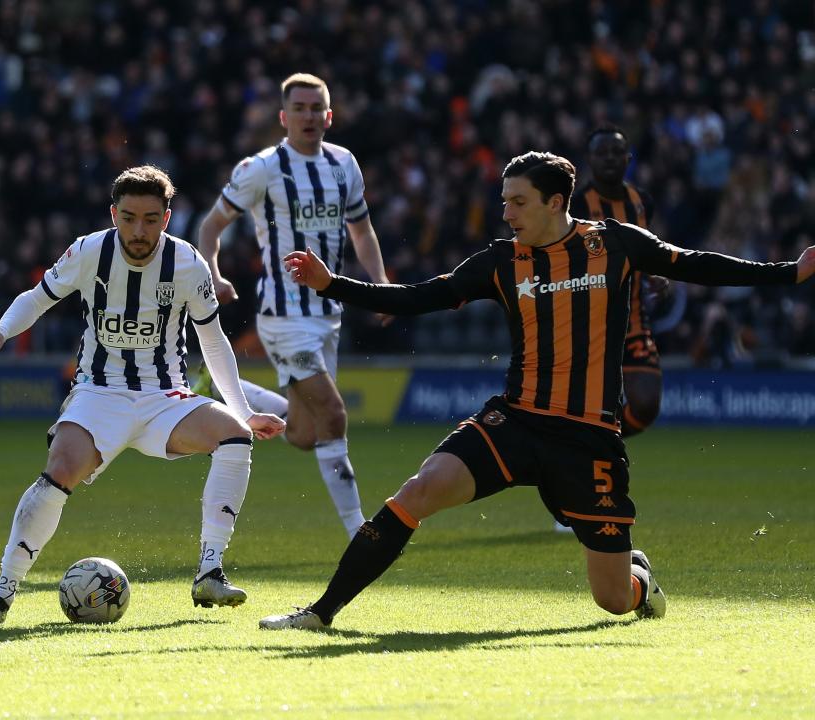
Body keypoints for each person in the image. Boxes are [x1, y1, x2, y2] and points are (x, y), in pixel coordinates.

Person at [259, 150, 815, 631]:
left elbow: (697, 265)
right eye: (504, 201)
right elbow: (418, 297)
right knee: (420, 490)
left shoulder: (614, 245)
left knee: (612, 599)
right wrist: (333, 285)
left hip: (589, 439)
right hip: (517, 421)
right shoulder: (502, 261)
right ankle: (320, 612)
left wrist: (790, 272)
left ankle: (638, 579)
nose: (506, 213)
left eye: (518, 202)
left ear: (556, 202)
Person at [0, 165, 285, 625]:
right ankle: (3, 591)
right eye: (130, 217)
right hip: (99, 393)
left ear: (167, 217)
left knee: (236, 435)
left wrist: (245, 411)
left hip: (166, 397)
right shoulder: (88, 251)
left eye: (151, 219)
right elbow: (38, 297)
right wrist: (0, 331)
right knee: (59, 472)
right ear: (113, 214)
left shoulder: (187, 263)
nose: (140, 230)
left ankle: (209, 570)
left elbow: (213, 341)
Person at [196, 73, 391, 538]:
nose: (308, 115)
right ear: (284, 118)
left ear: (329, 115)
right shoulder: (261, 168)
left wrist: (380, 281)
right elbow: (210, 227)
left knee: (306, 434)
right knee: (336, 414)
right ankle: (358, 533)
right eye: (298, 108)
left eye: (315, 107)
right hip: (283, 317)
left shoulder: (344, 164)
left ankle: (228, 389)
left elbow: (361, 230)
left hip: (328, 315)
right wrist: (215, 275)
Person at [549, 125, 663, 534]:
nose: (611, 160)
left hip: (633, 324)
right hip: (587, 327)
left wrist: (654, 276)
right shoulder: (577, 203)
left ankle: (573, 460)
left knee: (645, 406)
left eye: (618, 153)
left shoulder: (641, 201)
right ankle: (576, 485)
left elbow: (647, 250)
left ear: (628, 159)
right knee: (589, 413)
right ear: (589, 161)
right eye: (603, 154)